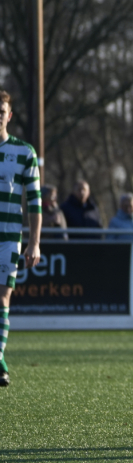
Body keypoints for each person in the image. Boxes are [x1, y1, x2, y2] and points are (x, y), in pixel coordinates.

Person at [0, 90, 42, 387]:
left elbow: (35, 202)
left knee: (2, 296)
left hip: (9, 237)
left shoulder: (24, 152)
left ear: (9, 116)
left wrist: (34, 242)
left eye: (1, 112)